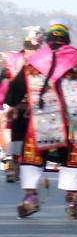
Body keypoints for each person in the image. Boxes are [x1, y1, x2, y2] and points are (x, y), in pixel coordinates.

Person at [3, 20, 77, 219]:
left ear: (48, 40)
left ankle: (30, 197)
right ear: (67, 40)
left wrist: (10, 105)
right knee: (72, 158)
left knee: (32, 157)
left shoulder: (36, 60)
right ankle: (72, 201)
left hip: (42, 118)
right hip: (73, 119)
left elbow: (18, 84)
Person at [1, 26, 45, 184]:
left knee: (19, 137)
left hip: (24, 105)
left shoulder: (16, 60)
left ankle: (17, 165)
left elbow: (5, 81)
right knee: (21, 137)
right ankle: (16, 166)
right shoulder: (24, 61)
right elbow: (6, 82)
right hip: (25, 106)